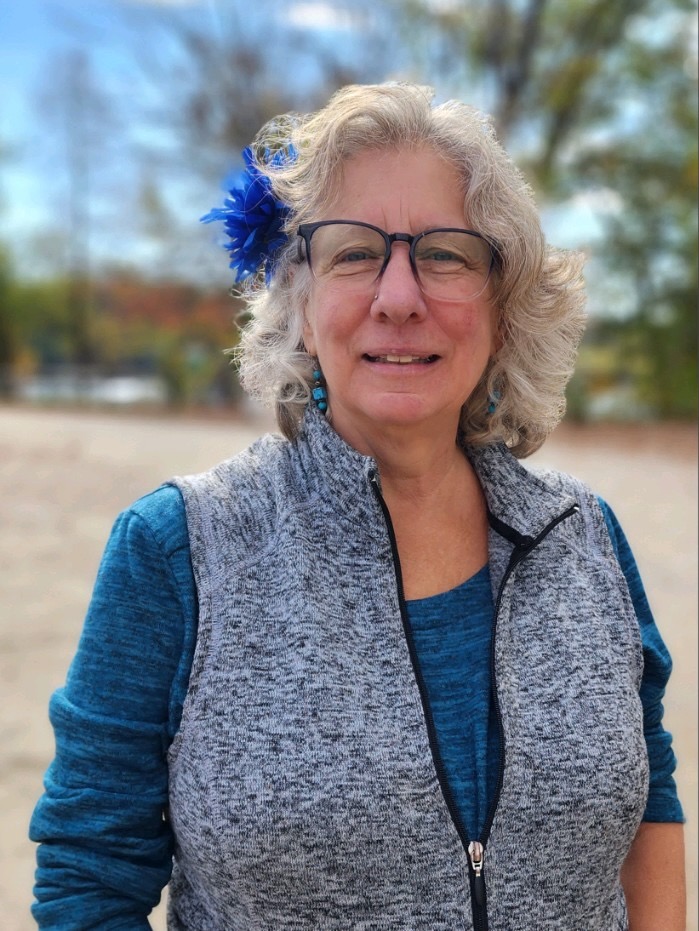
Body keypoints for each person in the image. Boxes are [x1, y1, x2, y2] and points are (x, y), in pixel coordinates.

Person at [30, 83, 686, 930]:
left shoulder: (583, 534)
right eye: (353, 253)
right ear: (297, 299)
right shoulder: (174, 549)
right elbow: (90, 874)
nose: (400, 295)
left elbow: (648, 788)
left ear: (502, 299)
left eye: (446, 253)